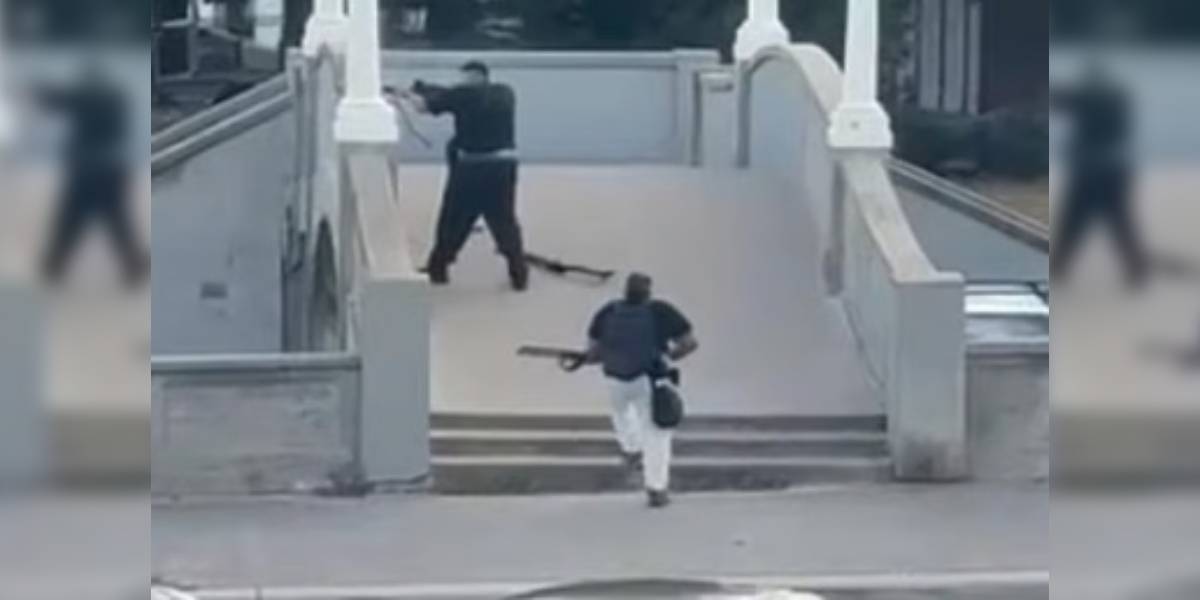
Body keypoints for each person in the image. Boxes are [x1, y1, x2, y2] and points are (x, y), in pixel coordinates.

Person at [564, 273, 699, 508]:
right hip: (650, 378)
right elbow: (689, 343)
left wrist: (588, 358)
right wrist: (670, 355)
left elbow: (594, 351)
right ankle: (656, 488)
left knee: (622, 416)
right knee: (657, 434)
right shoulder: (660, 311)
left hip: (615, 379)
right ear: (648, 292)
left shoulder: (608, 312)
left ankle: (632, 449)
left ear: (625, 291)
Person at [391, 61, 528, 291]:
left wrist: (405, 95)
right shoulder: (505, 93)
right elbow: (450, 94)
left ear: (472, 76)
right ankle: (519, 275)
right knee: (504, 221)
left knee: (452, 220)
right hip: (503, 168)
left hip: (471, 169)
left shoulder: (461, 95)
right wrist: (425, 88)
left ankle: (438, 269)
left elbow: (424, 107)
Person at [40, 64, 148, 287]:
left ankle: (53, 267)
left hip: (88, 171)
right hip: (110, 170)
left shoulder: (87, 100)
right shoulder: (113, 100)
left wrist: (34, 91)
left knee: (71, 220)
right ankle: (135, 264)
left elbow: (56, 100)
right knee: (116, 222)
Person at [1050, 59, 1147, 288]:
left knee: (1074, 221)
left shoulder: (1089, 99)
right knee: (1118, 221)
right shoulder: (1116, 100)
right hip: (1113, 168)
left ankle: (1059, 268)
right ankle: (1136, 269)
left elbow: (1062, 100)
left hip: (1091, 169)